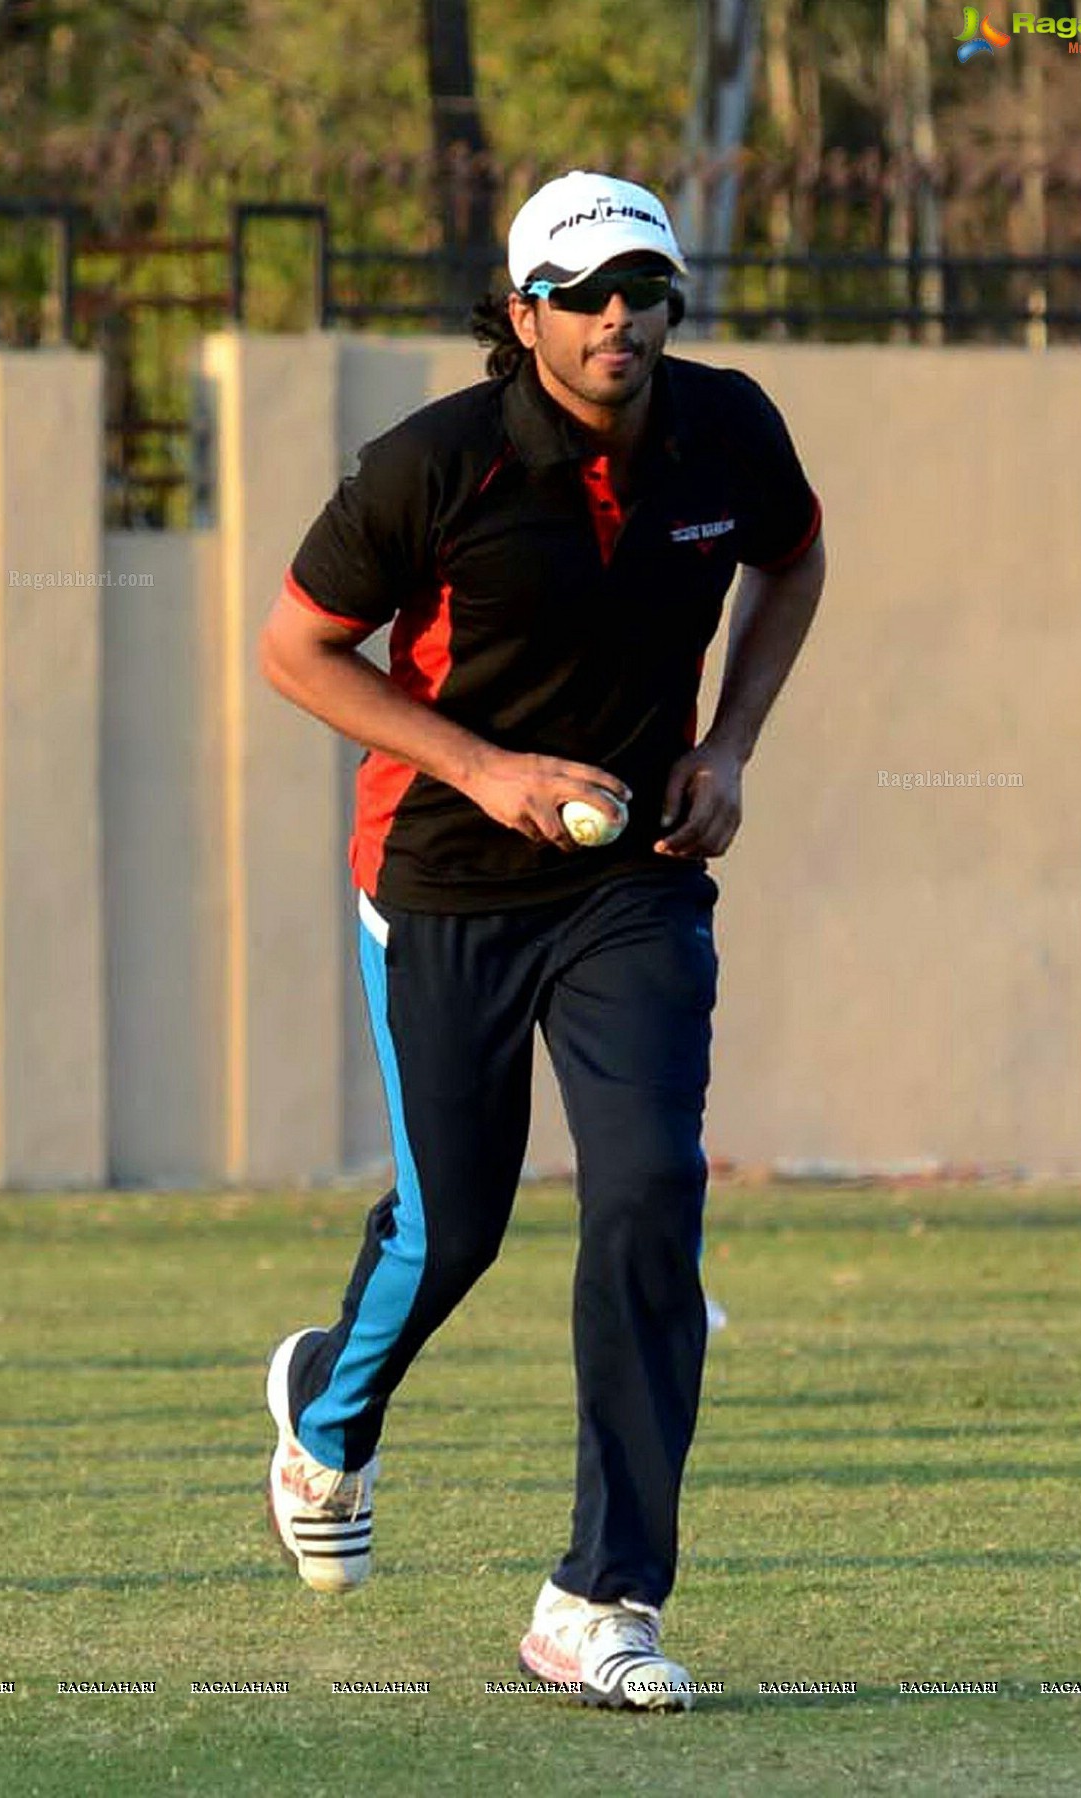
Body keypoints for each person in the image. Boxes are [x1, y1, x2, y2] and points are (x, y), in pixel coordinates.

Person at [258, 169, 825, 1711]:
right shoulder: (430, 466)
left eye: (644, 287)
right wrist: (485, 768)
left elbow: (794, 555)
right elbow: (297, 649)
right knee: (458, 1224)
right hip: (440, 872)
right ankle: (325, 1407)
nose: (619, 317)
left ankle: (602, 1592)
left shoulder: (728, 429)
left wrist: (730, 744)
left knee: (648, 1193)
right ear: (523, 315)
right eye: (582, 295)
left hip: (633, 879)